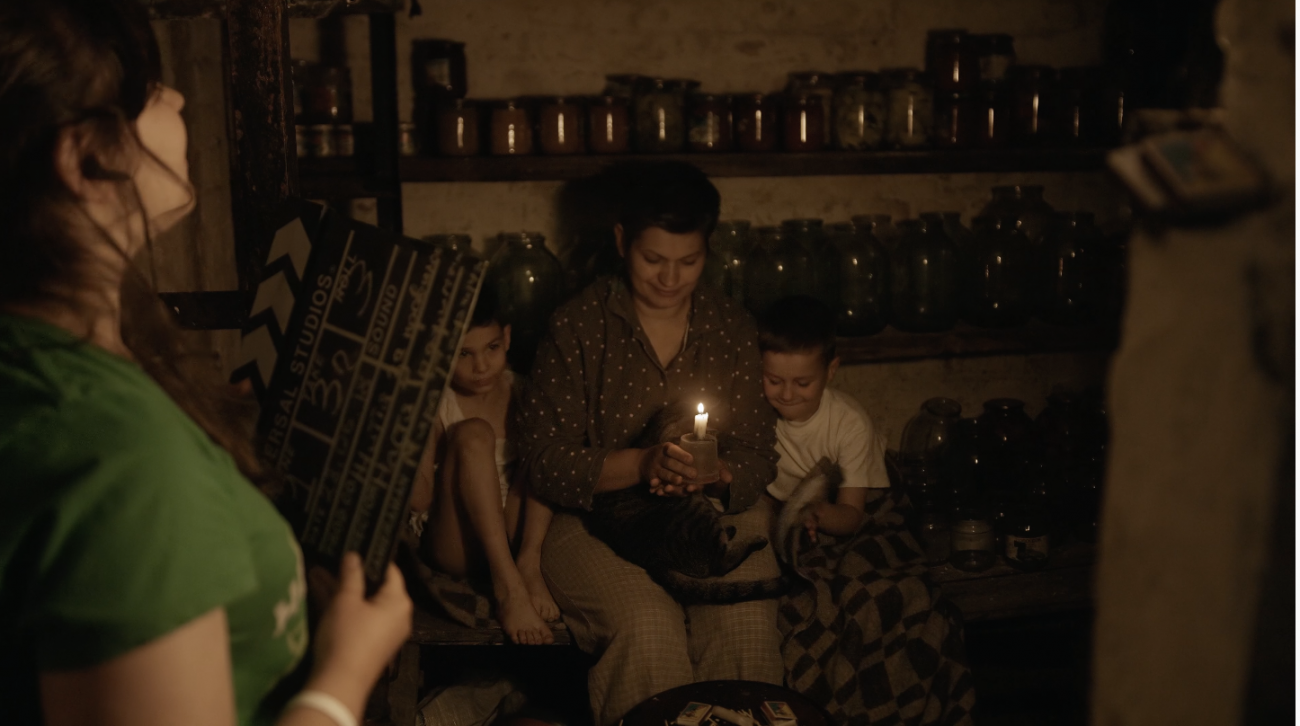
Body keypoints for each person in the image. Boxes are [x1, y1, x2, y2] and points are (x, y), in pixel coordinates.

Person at [0, 2, 412, 724]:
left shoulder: (46, 355)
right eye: (151, 87)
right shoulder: (120, 458)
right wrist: (345, 671)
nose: (180, 97)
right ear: (82, 158)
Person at [518, 161, 784, 726]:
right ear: (621, 240)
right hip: (592, 522)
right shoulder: (579, 326)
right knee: (647, 629)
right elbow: (543, 464)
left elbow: (760, 452)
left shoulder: (729, 324)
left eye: (688, 262)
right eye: (653, 260)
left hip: (707, 516)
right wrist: (642, 464)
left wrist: (714, 475)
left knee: (744, 624)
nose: (670, 278)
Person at [408, 288, 560, 645]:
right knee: (475, 433)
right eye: (463, 354)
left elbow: (549, 468)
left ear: (506, 337)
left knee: (545, 445)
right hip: (458, 541)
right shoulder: (438, 403)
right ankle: (509, 586)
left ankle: (528, 563)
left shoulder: (524, 390)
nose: (480, 367)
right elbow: (419, 501)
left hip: (515, 529)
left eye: (491, 348)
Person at [756, 295, 891, 538]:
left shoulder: (850, 425)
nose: (787, 394)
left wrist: (819, 515)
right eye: (774, 381)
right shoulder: (755, 408)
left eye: (803, 383)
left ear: (830, 371)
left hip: (845, 501)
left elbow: (851, 514)